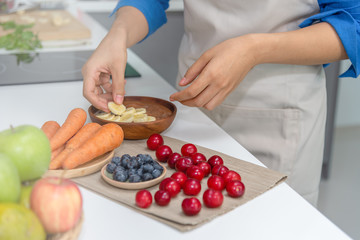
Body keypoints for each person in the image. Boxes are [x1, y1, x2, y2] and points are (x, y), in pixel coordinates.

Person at [82, 0, 359, 205]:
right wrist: (117, 34)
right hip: (194, 106)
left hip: (278, 113)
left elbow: (353, 25)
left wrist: (254, 49)